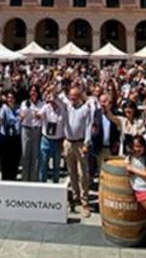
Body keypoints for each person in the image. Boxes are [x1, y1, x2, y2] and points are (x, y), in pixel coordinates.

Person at [58, 86, 93, 217]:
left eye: (74, 96)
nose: (72, 98)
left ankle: (85, 202)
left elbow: (88, 127)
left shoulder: (85, 109)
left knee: (83, 174)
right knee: (71, 172)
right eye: (70, 96)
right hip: (68, 143)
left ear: (79, 97)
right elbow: (57, 96)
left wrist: (86, 143)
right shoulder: (66, 106)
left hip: (80, 143)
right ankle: (75, 196)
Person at [38, 90, 65, 183]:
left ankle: (55, 184)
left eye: (54, 100)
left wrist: (55, 97)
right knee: (43, 163)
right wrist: (37, 115)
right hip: (46, 140)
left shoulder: (62, 109)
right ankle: (42, 184)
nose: (52, 102)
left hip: (57, 141)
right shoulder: (46, 107)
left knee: (56, 165)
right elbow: (40, 114)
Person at [18, 86, 43, 182]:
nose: (33, 93)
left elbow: (42, 116)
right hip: (26, 130)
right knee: (25, 155)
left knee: (35, 156)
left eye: (35, 91)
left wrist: (39, 115)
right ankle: (25, 179)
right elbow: (21, 116)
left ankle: (33, 180)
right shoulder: (25, 103)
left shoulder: (41, 103)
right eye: (31, 91)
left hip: (37, 130)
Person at [0, 92, 21, 180]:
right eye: (9, 98)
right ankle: (5, 177)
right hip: (5, 137)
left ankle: (12, 177)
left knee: (14, 159)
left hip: (15, 137)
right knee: (5, 158)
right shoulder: (4, 108)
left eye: (12, 98)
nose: (10, 100)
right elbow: (0, 117)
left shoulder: (18, 108)